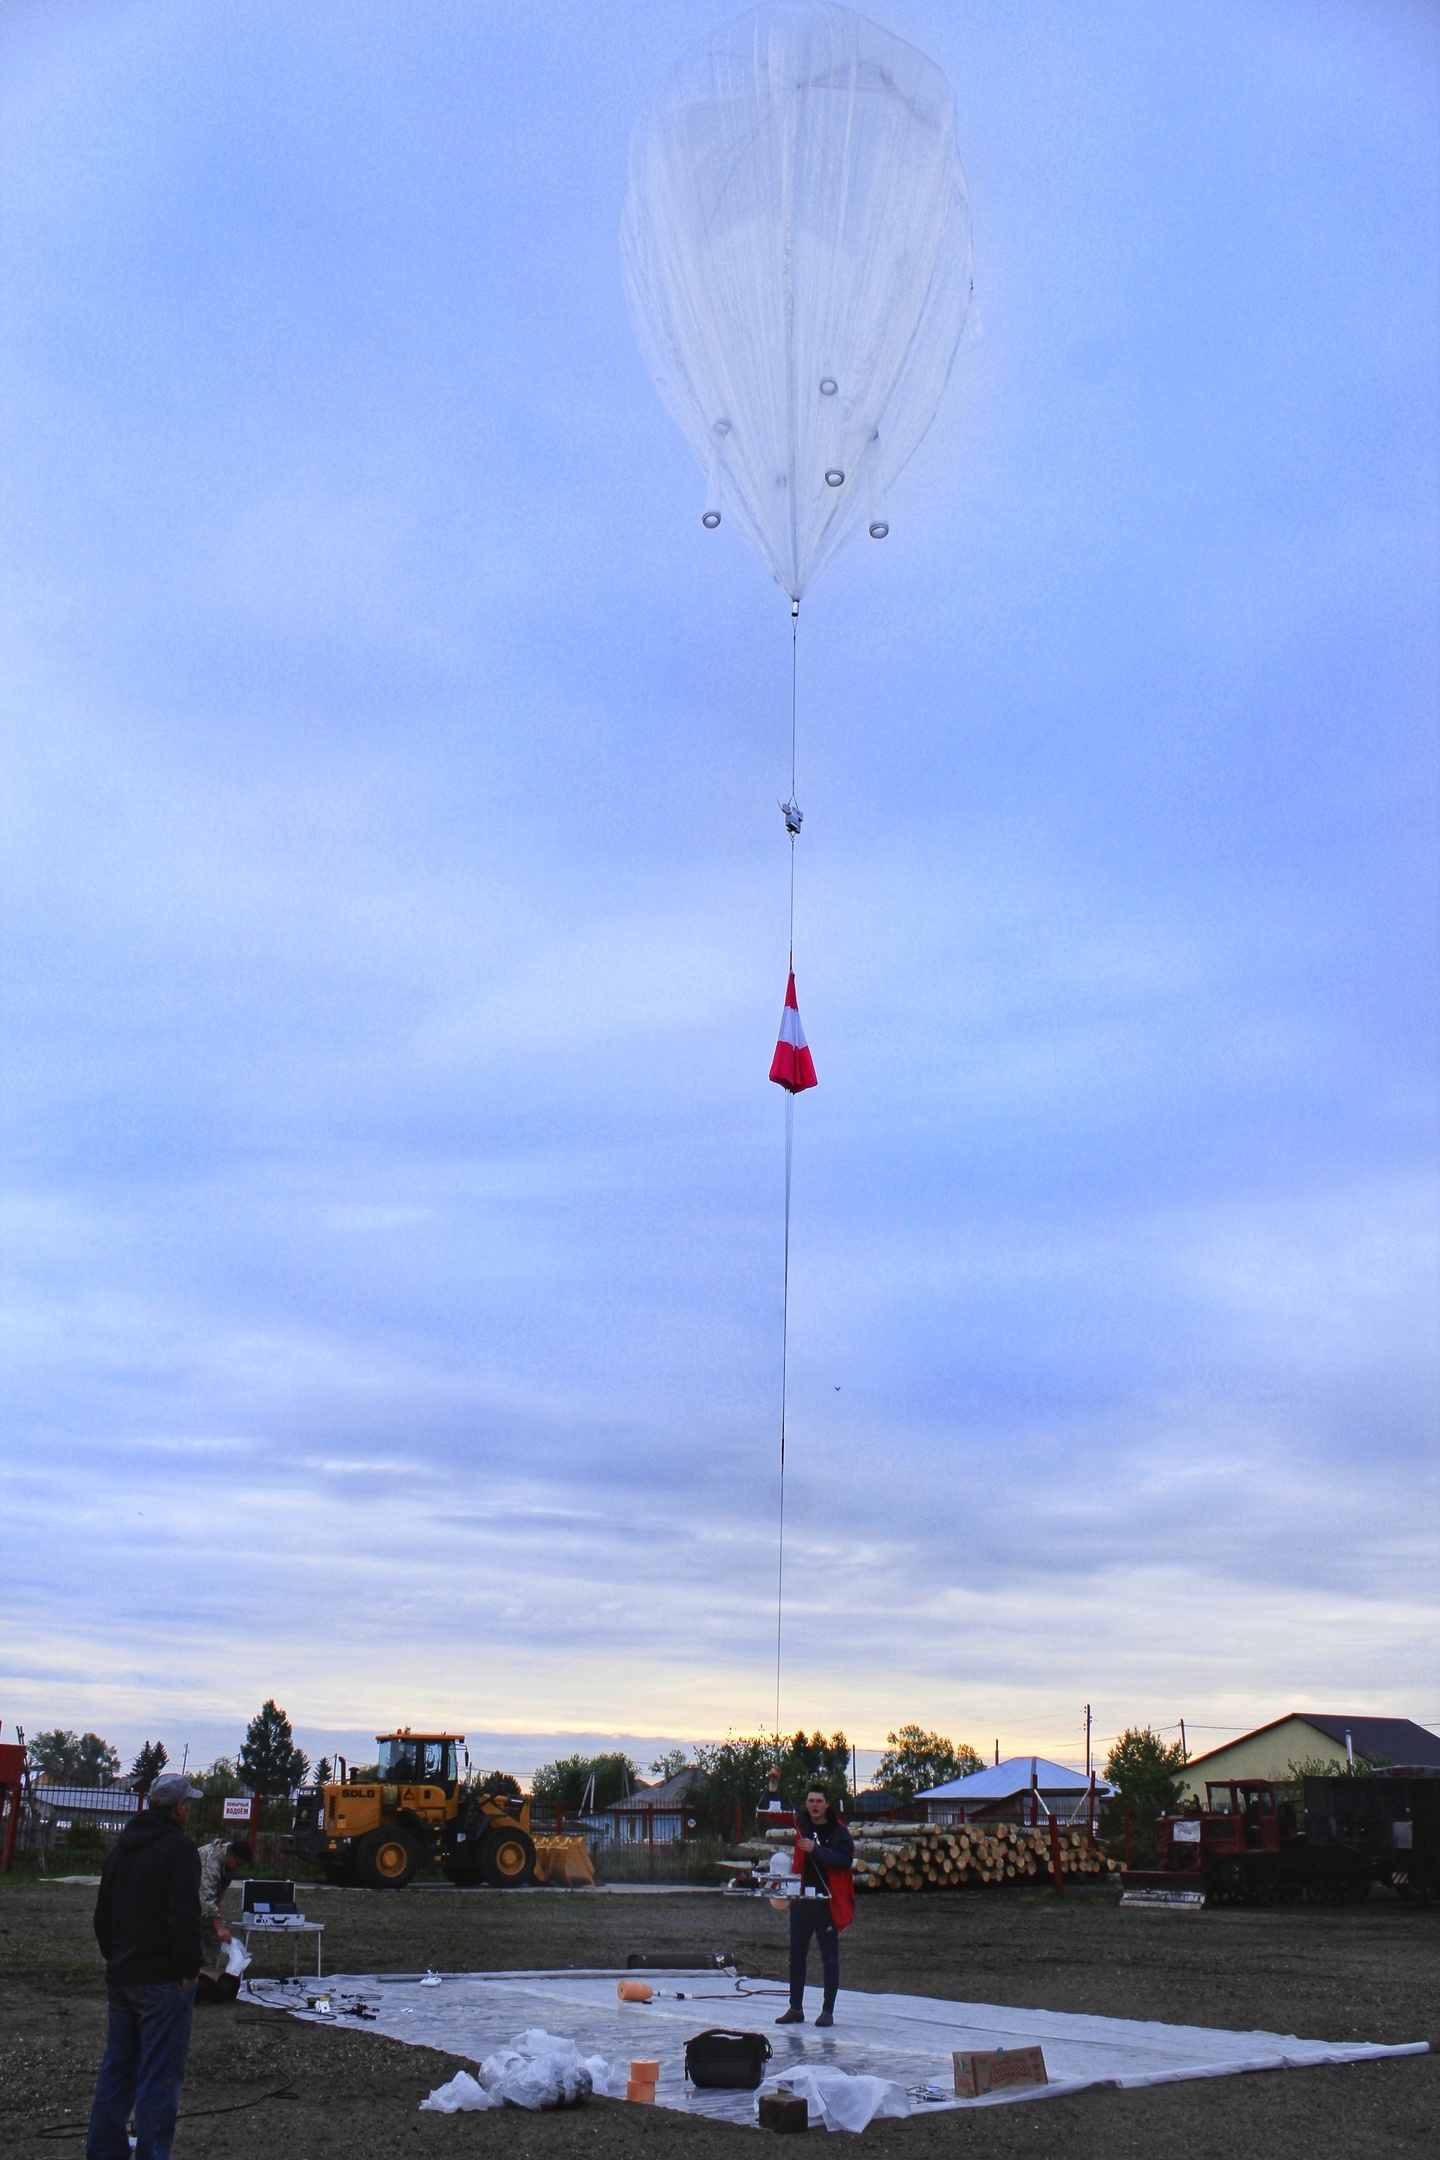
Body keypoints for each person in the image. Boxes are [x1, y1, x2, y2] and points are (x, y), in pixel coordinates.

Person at [87, 1771, 205, 2160]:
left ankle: (103, 2152)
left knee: (117, 2072)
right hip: (162, 1983)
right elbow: (183, 1917)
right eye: (189, 1804)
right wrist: (191, 1970)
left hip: (122, 1976)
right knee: (160, 2076)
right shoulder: (179, 1851)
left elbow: (103, 1915)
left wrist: (115, 1957)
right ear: (180, 1808)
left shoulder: (120, 1850)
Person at [776, 1787, 854, 2029]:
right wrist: (774, 1787)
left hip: (826, 1901)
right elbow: (774, 1813)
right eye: (810, 1801)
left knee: (829, 1957)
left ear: (827, 1804)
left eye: (819, 1801)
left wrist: (817, 1850)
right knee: (796, 1955)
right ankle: (795, 2008)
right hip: (802, 1901)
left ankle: (827, 2011)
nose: (814, 1805)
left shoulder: (839, 1831)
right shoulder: (801, 1823)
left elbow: (845, 1860)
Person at [194, 1838, 250, 2003]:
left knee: (212, 1940)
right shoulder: (211, 1862)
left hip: (202, 1900)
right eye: (237, 1864)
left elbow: (221, 1888)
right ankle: (191, 1979)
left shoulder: (230, 1863)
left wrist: (218, 1910)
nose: (237, 1868)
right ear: (230, 1855)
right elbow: (205, 1898)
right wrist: (219, 1927)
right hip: (187, 1897)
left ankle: (206, 1980)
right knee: (196, 1936)